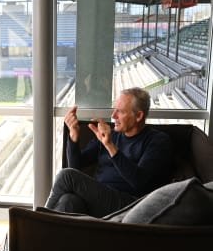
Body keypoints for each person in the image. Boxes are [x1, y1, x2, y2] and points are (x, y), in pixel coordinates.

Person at [45, 87, 174, 217]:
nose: (113, 116)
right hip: (99, 199)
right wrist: (74, 135)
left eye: (120, 112)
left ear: (139, 116)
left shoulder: (157, 141)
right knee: (68, 201)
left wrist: (110, 146)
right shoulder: (111, 135)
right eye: (114, 110)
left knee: (66, 176)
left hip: (130, 205)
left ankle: (39, 221)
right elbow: (75, 167)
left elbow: (140, 183)